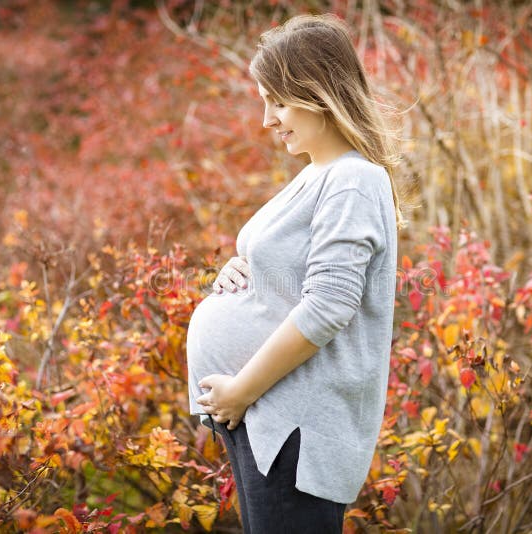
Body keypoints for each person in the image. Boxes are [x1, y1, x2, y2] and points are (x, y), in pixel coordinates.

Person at [186, 13, 404, 533]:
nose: (266, 119)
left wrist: (241, 390)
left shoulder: (353, 179)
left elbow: (329, 305)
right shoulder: (318, 175)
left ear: (319, 94)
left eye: (277, 101)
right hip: (268, 418)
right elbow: (293, 279)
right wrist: (241, 273)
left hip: (295, 426)